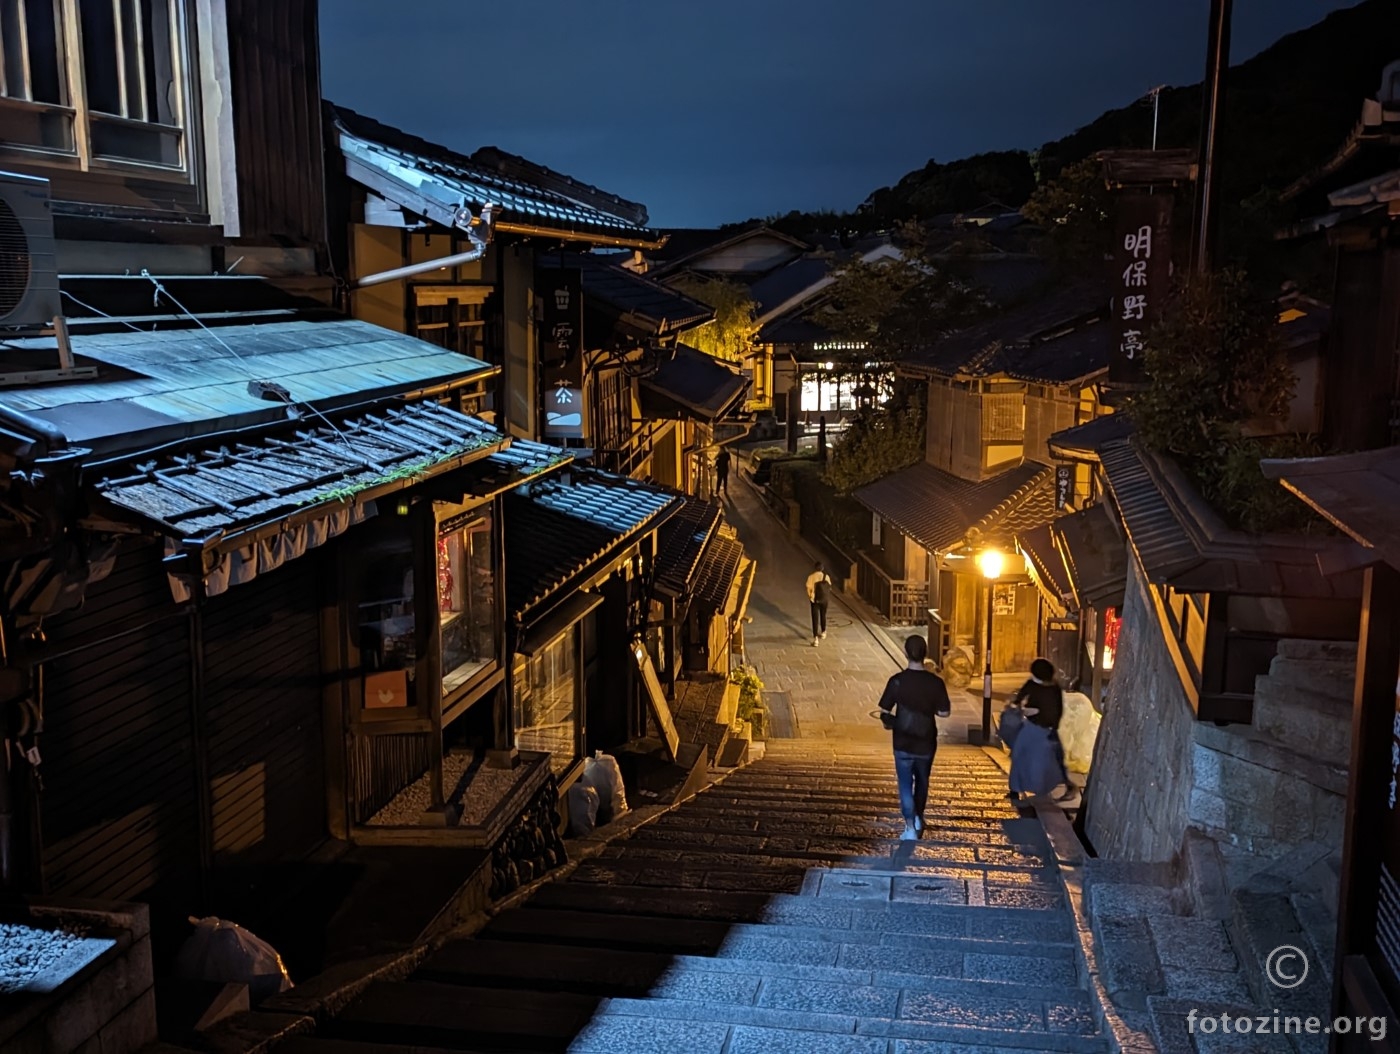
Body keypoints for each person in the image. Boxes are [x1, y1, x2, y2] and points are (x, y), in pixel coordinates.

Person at [878, 635, 953, 840]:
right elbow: (944, 712)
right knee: (922, 780)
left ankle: (910, 827)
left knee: (904, 784)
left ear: (905, 652)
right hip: (926, 741)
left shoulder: (897, 681)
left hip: (902, 741)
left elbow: (884, 709)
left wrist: (891, 720)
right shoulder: (935, 683)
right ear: (925, 653)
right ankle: (919, 816)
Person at [1008, 658, 1073, 802]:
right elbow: (1058, 710)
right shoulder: (1054, 688)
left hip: (1032, 727)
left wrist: (1019, 708)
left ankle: (1015, 789)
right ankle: (1053, 789)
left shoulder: (1032, 685)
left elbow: (1019, 699)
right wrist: (1054, 726)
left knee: (1019, 756)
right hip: (1048, 730)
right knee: (1050, 761)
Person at [805, 561, 831, 646]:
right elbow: (829, 587)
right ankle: (823, 632)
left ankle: (815, 638)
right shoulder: (826, 576)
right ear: (822, 568)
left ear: (815, 568)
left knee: (815, 618)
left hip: (815, 600)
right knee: (823, 615)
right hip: (824, 600)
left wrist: (811, 597)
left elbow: (808, 588)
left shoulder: (811, 577)